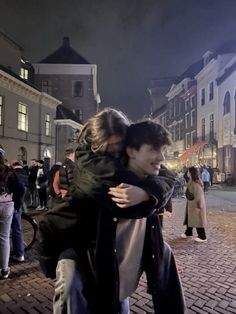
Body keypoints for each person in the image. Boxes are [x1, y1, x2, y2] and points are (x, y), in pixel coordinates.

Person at [39, 110, 185, 314]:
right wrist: (53, 265)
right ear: (96, 147)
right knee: (74, 281)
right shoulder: (93, 174)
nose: (115, 155)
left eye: (119, 147)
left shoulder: (143, 170)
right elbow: (50, 223)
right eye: (109, 149)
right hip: (92, 257)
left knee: (123, 291)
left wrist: (146, 192)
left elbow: (166, 175)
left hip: (119, 263)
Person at [0, 149, 20, 278]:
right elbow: (19, 189)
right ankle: (4, 269)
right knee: (4, 237)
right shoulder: (9, 171)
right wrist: (16, 204)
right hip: (6, 203)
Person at [181, 166, 207, 243]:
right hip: (192, 204)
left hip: (196, 206)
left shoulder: (196, 183)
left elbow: (199, 196)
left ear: (191, 173)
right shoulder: (191, 181)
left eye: (189, 172)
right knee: (190, 218)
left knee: (198, 221)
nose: (187, 173)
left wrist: (199, 206)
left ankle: (202, 236)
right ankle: (188, 232)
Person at [10, 161, 26, 262]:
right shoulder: (16, 174)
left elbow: (21, 188)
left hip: (11, 204)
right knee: (16, 229)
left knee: (6, 232)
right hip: (14, 204)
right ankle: (19, 254)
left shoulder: (12, 174)